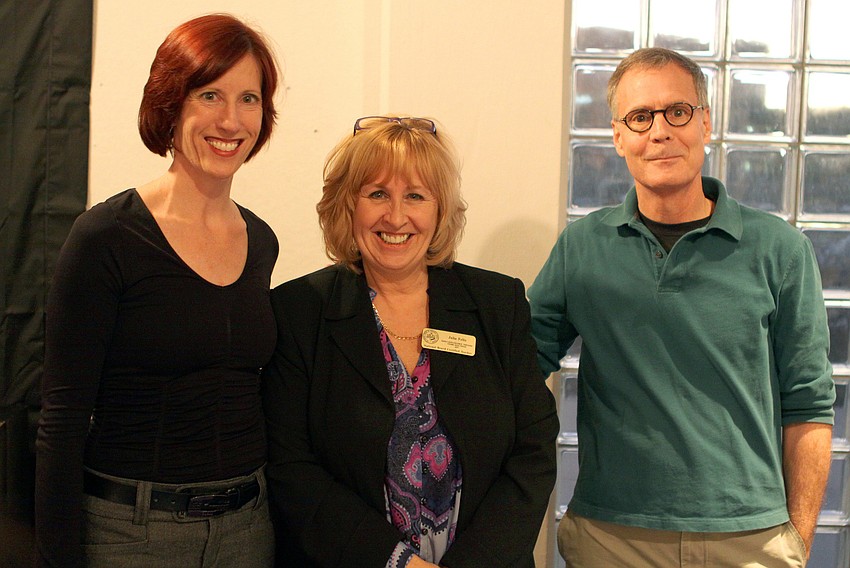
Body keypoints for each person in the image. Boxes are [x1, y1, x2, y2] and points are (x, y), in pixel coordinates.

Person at [528, 47, 836, 567]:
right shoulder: (580, 249)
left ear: (705, 122)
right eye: (640, 117)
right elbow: (514, 367)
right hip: (612, 538)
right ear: (618, 135)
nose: (660, 131)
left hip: (751, 540)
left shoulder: (780, 250)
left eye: (677, 111)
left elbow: (809, 405)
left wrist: (797, 543)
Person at [35, 14, 280, 567]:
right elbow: (63, 415)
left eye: (249, 98)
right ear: (171, 104)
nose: (230, 119)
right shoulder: (106, 237)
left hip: (248, 529)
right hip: (132, 534)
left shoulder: (261, 240)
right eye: (209, 94)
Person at [262, 116, 559, 568]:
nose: (396, 217)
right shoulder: (299, 310)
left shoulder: (496, 303)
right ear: (347, 205)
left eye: (415, 196)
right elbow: (291, 469)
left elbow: (533, 450)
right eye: (377, 193)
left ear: (440, 210)